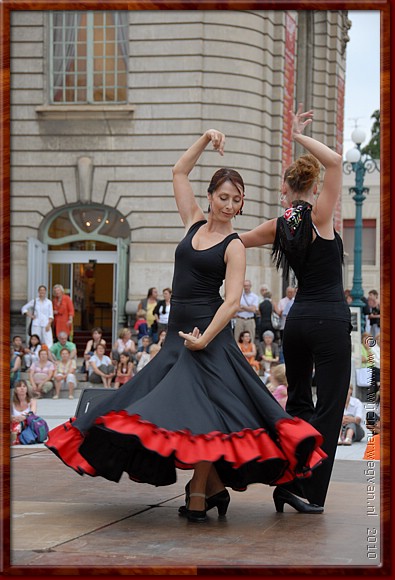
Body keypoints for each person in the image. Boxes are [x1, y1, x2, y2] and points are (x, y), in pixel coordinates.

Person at [46, 127, 325, 523]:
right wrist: (205, 140)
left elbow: (230, 302)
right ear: (209, 196)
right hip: (178, 340)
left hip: (208, 341)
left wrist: (205, 339)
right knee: (164, 411)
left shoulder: (235, 246)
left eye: (236, 200)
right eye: (223, 196)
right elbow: (179, 172)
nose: (229, 205)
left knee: (206, 419)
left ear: (241, 205)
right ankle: (212, 489)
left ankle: (199, 493)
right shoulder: (193, 222)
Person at [240, 104, 352, 511]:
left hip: (297, 320)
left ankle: (288, 481)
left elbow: (237, 241)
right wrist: (298, 135)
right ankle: (305, 488)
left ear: (287, 187)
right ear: (314, 183)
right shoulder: (322, 217)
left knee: (299, 403)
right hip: (328, 319)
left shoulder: (279, 224)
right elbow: (337, 161)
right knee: (330, 406)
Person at [11, 380, 37, 445]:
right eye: (19, 386)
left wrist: (23, 417)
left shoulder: (32, 401)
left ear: (27, 389)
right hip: (13, 423)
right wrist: (13, 417)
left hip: (27, 425)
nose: (22, 388)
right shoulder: (11, 403)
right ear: (15, 390)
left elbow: (32, 413)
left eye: (24, 386)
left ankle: (15, 438)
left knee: (21, 423)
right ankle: (14, 437)